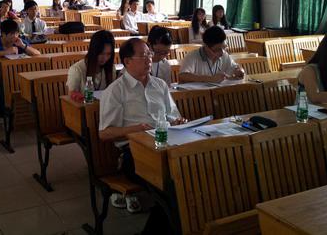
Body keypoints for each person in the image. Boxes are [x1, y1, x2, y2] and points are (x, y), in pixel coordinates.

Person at [99, 38, 183, 221]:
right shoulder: (115, 91)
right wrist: (136, 129)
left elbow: (172, 116)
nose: (149, 59)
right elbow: (104, 133)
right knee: (172, 187)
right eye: (143, 56)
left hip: (167, 145)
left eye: (149, 55)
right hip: (135, 153)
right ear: (127, 61)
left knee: (189, 176)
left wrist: (178, 122)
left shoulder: (159, 85)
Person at [179, 26, 244, 83]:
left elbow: (236, 67)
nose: (221, 53)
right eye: (217, 50)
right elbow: (182, 76)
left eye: (224, 48)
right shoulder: (192, 56)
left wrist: (239, 71)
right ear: (206, 46)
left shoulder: (225, 55)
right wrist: (210, 79)